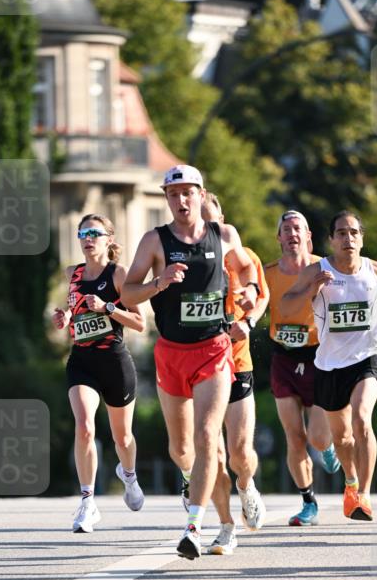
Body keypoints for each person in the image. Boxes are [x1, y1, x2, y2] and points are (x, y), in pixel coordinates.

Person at [122, 165, 259, 560]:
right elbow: (128, 294)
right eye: (173, 194)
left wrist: (248, 290)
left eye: (188, 193)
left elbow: (247, 267)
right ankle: (205, 498)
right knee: (182, 450)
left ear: (202, 194)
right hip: (170, 353)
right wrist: (158, 283)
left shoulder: (224, 235)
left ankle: (196, 527)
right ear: (166, 198)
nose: (181, 201)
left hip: (214, 350)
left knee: (206, 437)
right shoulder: (155, 240)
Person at [280, 211, 377, 521]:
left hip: (368, 356)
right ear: (331, 240)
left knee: (362, 419)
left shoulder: (376, 270)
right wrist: (312, 290)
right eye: (341, 233)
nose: (348, 238)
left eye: (353, 233)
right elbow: (286, 306)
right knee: (342, 438)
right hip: (329, 364)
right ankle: (350, 480)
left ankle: (365, 495)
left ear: (361, 238)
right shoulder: (314, 271)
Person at [52, 214, 145, 532]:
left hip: (115, 363)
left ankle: (128, 475)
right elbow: (75, 310)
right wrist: (65, 317)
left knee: (123, 437)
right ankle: (88, 502)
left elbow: (140, 323)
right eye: (82, 233)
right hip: (82, 361)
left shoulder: (119, 274)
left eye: (94, 233)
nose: (87, 238)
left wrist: (107, 307)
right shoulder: (72, 273)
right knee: (85, 427)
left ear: (108, 239)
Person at [265, 210, 345, 527]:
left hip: (319, 358)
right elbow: (256, 300)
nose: (292, 233)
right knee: (293, 436)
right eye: (286, 229)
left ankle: (327, 449)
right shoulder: (268, 272)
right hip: (283, 358)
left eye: (298, 228)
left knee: (318, 438)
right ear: (279, 237)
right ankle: (308, 502)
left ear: (308, 236)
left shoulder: (325, 269)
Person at [200, 193, 269, 554]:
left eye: (213, 222)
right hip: (201, 362)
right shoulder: (185, 256)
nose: (208, 230)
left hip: (238, 359)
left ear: (223, 221)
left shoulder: (242, 255)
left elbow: (262, 294)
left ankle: (246, 485)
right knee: (212, 449)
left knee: (240, 453)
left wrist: (248, 320)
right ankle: (226, 526)